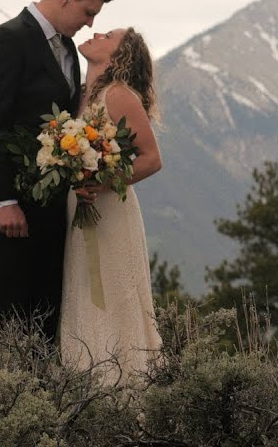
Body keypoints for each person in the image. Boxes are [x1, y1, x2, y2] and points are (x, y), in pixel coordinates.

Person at [0, 0, 116, 343]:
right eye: (87, 11)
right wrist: (4, 201)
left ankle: (42, 398)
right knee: (7, 306)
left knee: (45, 308)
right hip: (11, 201)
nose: (90, 23)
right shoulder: (8, 39)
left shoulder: (66, 50)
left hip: (50, 199)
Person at [58, 27, 163, 385]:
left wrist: (101, 182)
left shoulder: (118, 96)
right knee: (82, 293)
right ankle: (85, 383)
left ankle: (123, 387)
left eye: (108, 35)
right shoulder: (81, 95)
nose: (96, 31)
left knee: (113, 297)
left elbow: (151, 159)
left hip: (110, 211)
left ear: (120, 56)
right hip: (78, 209)